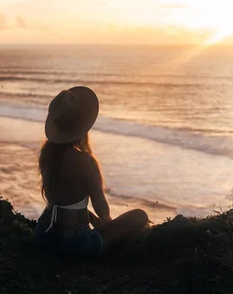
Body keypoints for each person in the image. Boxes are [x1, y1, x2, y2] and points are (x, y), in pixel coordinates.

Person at [33, 86, 149, 256]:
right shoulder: (85, 161)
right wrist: (107, 225)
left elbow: (63, 202)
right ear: (82, 126)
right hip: (76, 243)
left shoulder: (46, 155)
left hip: (43, 236)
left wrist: (94, 221)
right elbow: (100, 206)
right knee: (140, 216)